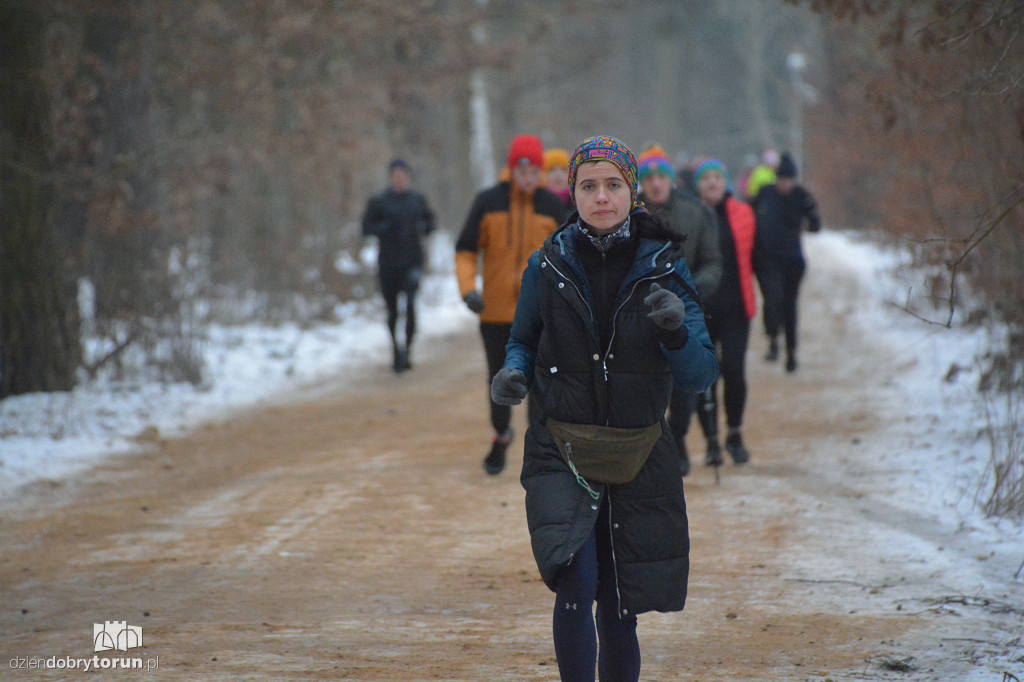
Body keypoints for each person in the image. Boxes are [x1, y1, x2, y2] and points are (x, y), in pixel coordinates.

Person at [490, 135, 717, 682]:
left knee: (618, 604)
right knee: (576, 581)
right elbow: (522, 339)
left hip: (637, 452)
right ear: (572, 193)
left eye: (613, 185)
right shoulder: (547, 264)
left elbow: (700, 374)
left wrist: (675, 333)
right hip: (562, 448)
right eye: (588, 186)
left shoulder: (664, 265)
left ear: (631, 192)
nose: (601, 197)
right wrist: (514, 372)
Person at [455, 134, 564, 475]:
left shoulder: (551, 205)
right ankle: (501, 435)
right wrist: (468, 290)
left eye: (534, 172)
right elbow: (466, 251)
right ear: (511, 169)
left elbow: (569, 255)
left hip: (541, 314)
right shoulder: (488, 201)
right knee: (500, 382)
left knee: (540, 384)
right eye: (522, 171)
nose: (528, 178)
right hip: (496, 314)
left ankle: (538, 449)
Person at [636, 146, 722, 475]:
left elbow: (712, 261)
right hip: (643, 312)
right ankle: (656, 448)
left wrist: (695, 289)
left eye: (661, 176)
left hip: (687, 308)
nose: (656, 183)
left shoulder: (695, 212)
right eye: (649, 179)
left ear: (671, 179)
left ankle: (679, 435)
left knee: (685, 390)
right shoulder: (631, 215)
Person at [689, 158, 758, 466]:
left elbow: (758, 256)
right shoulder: (692, 216)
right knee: (705, 375)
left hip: (736, 307)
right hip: (700, 309)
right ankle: (712, 441)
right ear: (698, 186)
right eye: (706, 179)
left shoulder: (743, 214)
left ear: (726, 182)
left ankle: (735, 434)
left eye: (717, 177)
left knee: (734, 370)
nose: (712, 183)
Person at [360, 158, 436, 372]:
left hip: (412, 262)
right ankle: (395, 350)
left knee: (410, 306)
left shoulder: (418, 200)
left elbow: (431, 222)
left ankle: (407, 350)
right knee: (392, 311)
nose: (399, 179)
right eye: (396, 176)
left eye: (402, 175)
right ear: (391, 178)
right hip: (388, 264)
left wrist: (425, 228)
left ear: (408, 177)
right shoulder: (379, 202)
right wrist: (382, 228)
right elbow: (365, 227)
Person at [751, 151, 822, 372]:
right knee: (772, 301)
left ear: (794, 180)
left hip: (792, 261)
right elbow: (747, 217)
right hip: (766, 260)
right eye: (781, 179)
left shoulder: (802, 196)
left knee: (789, 307)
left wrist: (808, 214)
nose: (785, 184)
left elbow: (815, 226)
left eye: (789, 180)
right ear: (776, 179)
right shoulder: (765, 194)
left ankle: (791, 353)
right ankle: (773, 339)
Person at [543, 147, 575, 222]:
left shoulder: (578, 203)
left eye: (563, 170)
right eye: (552, 170)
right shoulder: (538, 203)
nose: (558, 174)